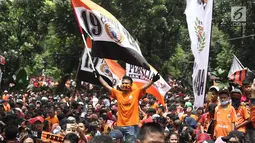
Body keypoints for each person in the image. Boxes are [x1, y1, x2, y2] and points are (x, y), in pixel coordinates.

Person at [95, 70, 160, 143]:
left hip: (132, 125)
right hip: (120, 125)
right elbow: (106, 86)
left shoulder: (135, 93)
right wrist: (99, 77)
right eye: (123, 83)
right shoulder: (118, 93)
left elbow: (144, 87)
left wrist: (152, 80)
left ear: (131, 85)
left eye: (126, 83)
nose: (124, 85)